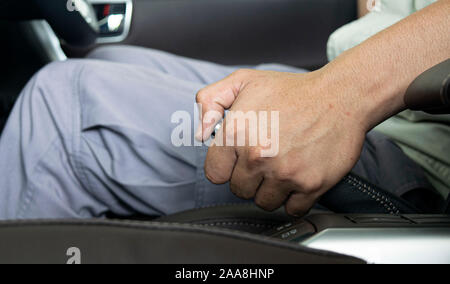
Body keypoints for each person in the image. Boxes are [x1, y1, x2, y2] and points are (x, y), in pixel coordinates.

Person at [0, 0, 448, 219]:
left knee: (65, 114)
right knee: (104, 64)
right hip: (394, 112)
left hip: (420, 157)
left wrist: (342, 96)